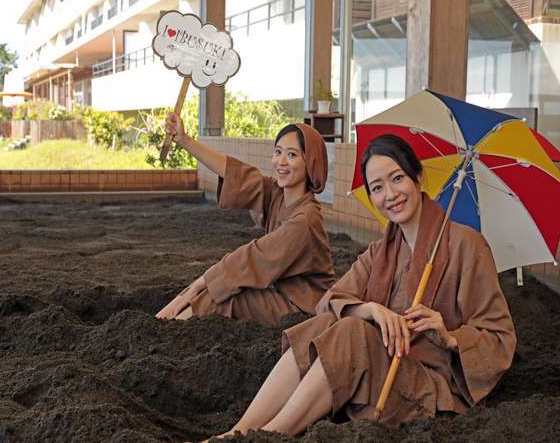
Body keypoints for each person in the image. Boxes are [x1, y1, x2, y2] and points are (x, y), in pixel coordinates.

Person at [211, 134, 516, 438]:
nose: (391, 194)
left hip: (428, 386)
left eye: (397, 178)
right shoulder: (380, 252)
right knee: (327, 322)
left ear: (418, 177)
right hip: (379, 370)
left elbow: (499, 337)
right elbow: (328, 301)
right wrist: (371, 309)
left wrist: (450, 337)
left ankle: (267, 436)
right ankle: (237, 432)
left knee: (351, 332)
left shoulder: (466, 244)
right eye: (378, 187)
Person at [155, 114, 335, 326]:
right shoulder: (277, 194)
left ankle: (164, 329)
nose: (281, 161)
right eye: (278, 152)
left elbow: (255, 256)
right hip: (278, 290)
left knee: (221, 294)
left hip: (302, 306)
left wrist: (200, 283)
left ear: (310, 162)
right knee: (217, 287)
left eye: (292, 154)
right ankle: (159, 322)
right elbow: (234, 172)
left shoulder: (306, 219)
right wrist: (185, 140)